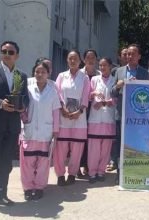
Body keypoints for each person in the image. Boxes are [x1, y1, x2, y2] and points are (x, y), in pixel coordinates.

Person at [0, 41, 29, 206]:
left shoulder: (22, 75)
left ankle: (0, 194)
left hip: (12, 126)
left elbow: (26, 98)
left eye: (10, 52)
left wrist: (23, 107)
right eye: (4, 51)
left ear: (17, 55)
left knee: (6, 163)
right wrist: (0, 103)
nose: (7, 54)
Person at [20, 61, 60, 200]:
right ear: (33, 73)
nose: (40, 74)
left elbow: (56, 113)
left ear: (48, 74)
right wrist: (24, 118)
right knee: (27, 163)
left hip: (46, 133)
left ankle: (39, 187)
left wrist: (55, 131)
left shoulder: (53, 92)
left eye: (43, 72)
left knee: (43, 163)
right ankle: (28, 187)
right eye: (37, 72)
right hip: (29, 132)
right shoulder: (28, 90)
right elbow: (23, 109)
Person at [111, 44, 149, 184]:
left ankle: (136, 172)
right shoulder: (118, 71)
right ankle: (120, 174)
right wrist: (118, 86)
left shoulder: (145, 74)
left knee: (136, 146)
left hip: (138, 118)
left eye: (133, 54)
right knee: (120, 145)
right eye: (128, 54)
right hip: (121, 115)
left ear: (139, 56)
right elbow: (111, 92)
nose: (129, 56)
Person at [54, 50, 90, 186]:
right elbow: (56, 94)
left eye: (75, 59)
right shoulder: (61, 76)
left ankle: (72, 173)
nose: (73, 61)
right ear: (67, 60)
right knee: (60, 150)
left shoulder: (84, 77)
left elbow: (86, 96)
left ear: (80, 61)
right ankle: (60, 174)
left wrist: (79, 111)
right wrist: (62, 108)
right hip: (63, 117)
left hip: (79, 119)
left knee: (76, 149)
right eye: (70, 58)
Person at [87, 57, 116, 183]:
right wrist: (93, 94)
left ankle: (101, 171)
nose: (102, 68)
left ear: (110, 66)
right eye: (100, 65)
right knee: (94, 149)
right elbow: (87, 95)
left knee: (105, 150)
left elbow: (117, 99)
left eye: (105, 65)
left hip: (109, 119)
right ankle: (92, 172)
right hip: (95, 119)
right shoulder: (94, 79)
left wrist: (105, 102)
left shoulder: (115, 81)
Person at [77, 49, 100, 179]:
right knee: (80, 139)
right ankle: (77, 167)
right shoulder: (79, 74)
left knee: (90, 140)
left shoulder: (100, 74)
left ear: (96, 59)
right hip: (80, 111)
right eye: (88, 58)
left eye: (93, 57)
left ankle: (87, 165)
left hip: (94, 111)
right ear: (83, 60)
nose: (90, 60)